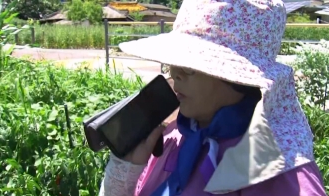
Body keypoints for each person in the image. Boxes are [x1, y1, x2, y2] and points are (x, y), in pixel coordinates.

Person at [98, 0, 327, 195]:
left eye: (191, 67)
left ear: (240, 80)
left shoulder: (275, 171)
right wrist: (125, 174)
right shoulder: (174, 137)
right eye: (176, 59)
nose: (175, 71)